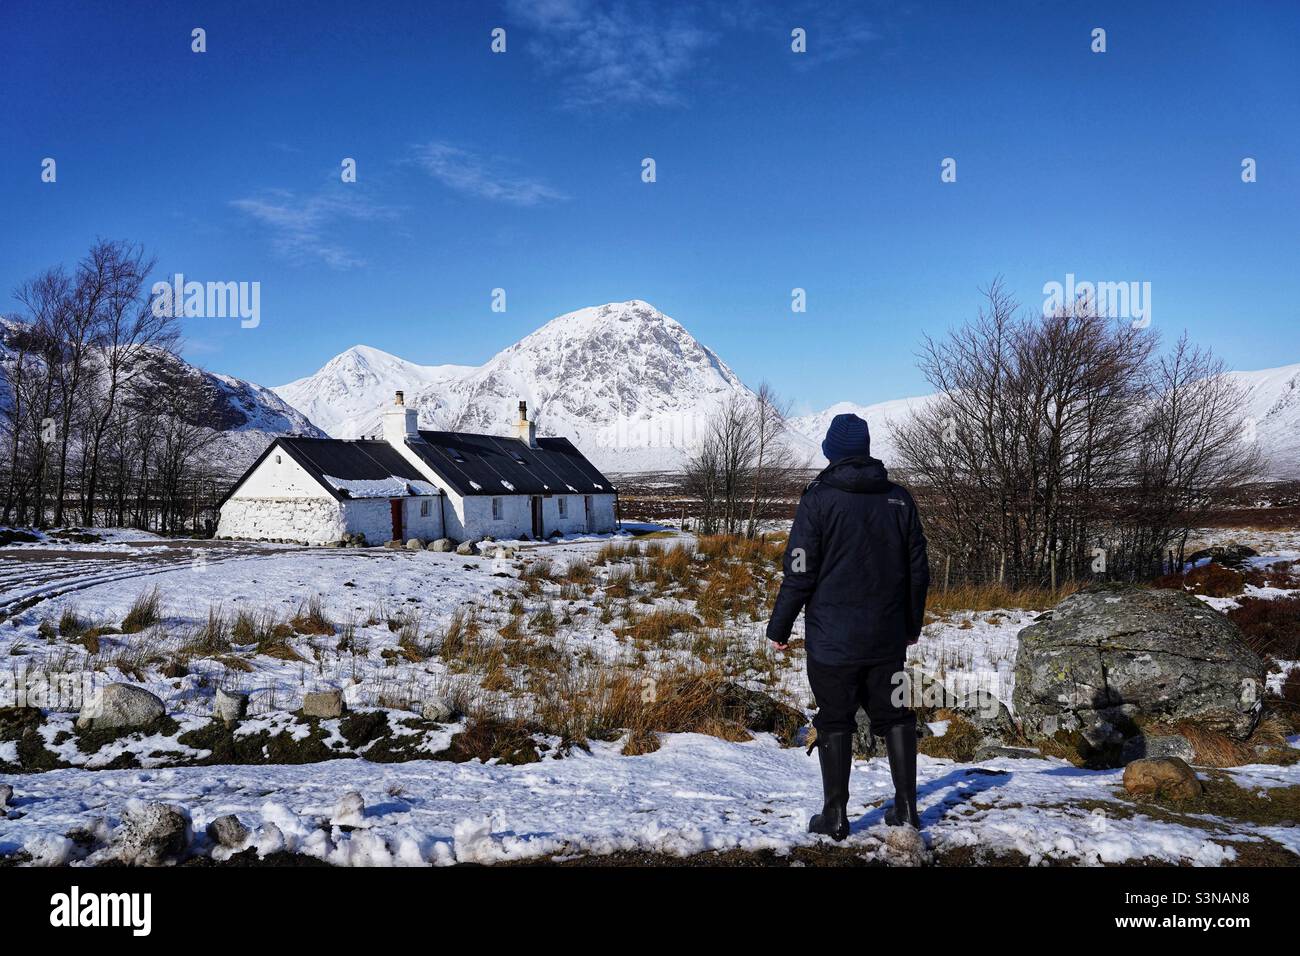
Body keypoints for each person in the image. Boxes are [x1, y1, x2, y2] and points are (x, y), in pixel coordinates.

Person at [766, 413, 930, 840]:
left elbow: (799, 569)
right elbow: (918, 572)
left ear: (833, 453)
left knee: (836, 720)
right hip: (887, 637)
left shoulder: (817, 500)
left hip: (832, 641)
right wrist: (912, 625)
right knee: (895, 715)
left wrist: (779, 627)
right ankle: (907, 810)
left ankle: (835, 817)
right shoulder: (899, 498)